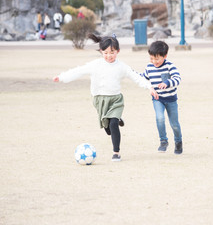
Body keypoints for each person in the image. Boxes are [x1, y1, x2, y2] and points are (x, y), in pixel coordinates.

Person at [53, 34, 159, 162]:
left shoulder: (122, 66)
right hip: (99, 100)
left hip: (115, 100)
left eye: (112, 52)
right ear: (101, 51)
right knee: (108, 129)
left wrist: (149, 87)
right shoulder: (95, 65)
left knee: (114, 124)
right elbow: (78, 71)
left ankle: (116, 152)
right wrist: (62, 77)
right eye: (106, 52)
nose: (109, 56)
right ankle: (115, 120)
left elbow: (136, 76)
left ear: (118, 51)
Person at [141, 41, 183, 154]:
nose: (154, 62)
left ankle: (178, 142)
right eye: (151, 59)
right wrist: (130, 73)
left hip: (171, 99)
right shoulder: (149, 67)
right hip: (157, 99)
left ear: (165, 56)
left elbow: (177, 78)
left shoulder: (170, 65)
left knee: (174, 124)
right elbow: (142, 78)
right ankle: (163, 141)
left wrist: (168, 82)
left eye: (157, 59)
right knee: (160, 118)